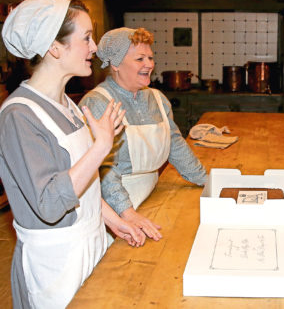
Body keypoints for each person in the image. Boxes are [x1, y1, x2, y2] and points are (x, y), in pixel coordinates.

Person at [0, 0, 146, 309]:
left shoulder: (67, 106)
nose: (94, 47)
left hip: (90, 245)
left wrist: (112, 220)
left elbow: (82, 183)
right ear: (55, 47)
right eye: (87, 38)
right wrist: (101, 145)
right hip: (56, 264)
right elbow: (50, 203)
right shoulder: (19, 116)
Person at [80, 27, 207, 241]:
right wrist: (127, 213)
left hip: (151, 199)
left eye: (150, 57)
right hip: (113, 215)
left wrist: (206, 179)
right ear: (116, 64)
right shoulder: (98, 103)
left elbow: (175, 144)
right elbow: (102, 171)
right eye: (140, 58)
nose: (149, 64)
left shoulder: (157, 99)